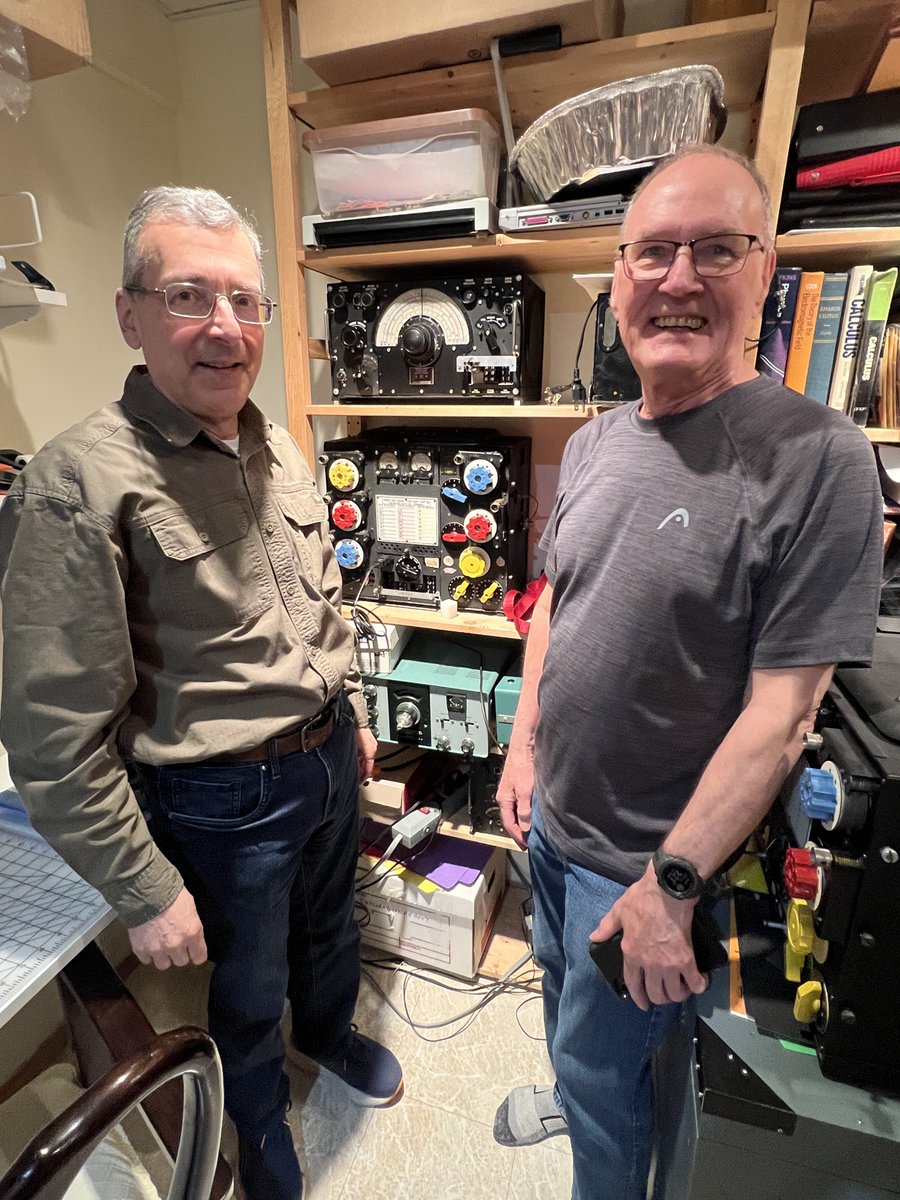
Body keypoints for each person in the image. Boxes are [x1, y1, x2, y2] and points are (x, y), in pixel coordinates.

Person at [492, 147, 883, 1200]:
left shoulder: (820, 458)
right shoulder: (594, 442)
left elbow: (782, 717)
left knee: (621, 1079)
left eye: (716, 250)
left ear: (766, 272)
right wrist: (523, 744)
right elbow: (555, 606)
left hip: (645, 867)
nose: (678, 278)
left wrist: (669, 889)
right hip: (552, 835)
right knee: (578, 1029)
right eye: (653, 252)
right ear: (618, 277)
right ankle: (582, 1098)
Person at [0, 186, 402, 1200]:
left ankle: (331, 1032)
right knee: (247, 985)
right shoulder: (76, 483)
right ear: (131, 315)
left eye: (245, 301)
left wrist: (345, 718)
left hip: (320, 758)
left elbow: (316, 605)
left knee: (332, 926)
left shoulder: (277, 443)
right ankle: (258, 1126)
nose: (225, 327)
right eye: (189, 296)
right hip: (222, 799)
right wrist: (142, 886)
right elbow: (52, 735)